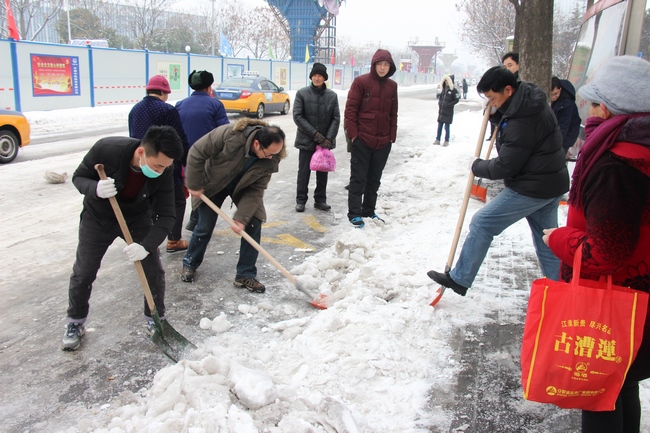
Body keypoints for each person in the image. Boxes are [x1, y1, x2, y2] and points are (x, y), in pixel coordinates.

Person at [543, 55, 650, 433]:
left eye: (593, 101)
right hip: (638, 306)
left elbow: (606, 252)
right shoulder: (642, 151)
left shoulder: (617, 164)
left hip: (612, 308)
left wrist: (558, 237)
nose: (588, 110)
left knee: (599, 393)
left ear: (608, 107)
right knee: (622, 389)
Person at [427, 66, 569, 295]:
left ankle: (460, 279)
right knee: (548, 241)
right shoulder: (527, 101)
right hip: (550, 183)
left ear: (508, 90)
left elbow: (506, 165)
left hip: (534, 186)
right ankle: (562, 291)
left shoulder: (523, 120)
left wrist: (477, 166)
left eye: (493, 98)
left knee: (483, 222)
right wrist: (497, 116)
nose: (491, 103)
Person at [61, 126, 184, 351]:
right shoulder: (106, 149)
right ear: (141, 153)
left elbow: (167, 214)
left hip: (137, 217)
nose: (161, 171)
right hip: (99, 217)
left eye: (166, 166)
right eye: (158, 165)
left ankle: (155, 319)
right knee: (84, 271)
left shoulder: (165, 168)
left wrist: (146, 246)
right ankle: (75, 322)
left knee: (153, 271)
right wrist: (95, 188)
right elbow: (79, 177)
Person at [181, 119, 286, 293]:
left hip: (243, 187)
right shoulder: (230, 135)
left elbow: (255, 190)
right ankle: (190, 263)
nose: (272, 158)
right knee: (204, 226)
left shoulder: (272, 158)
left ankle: (245, 274)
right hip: (214, 182)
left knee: (254, 222)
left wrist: (242, 218)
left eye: (275, 154)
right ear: (256, 143)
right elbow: (197, 152)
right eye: (268, 154)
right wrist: (193, 183)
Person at [128, 75, 190, 253]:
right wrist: (186, 161)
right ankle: (173, 240)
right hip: (165, 165)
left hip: (142, 163)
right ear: (163, 92)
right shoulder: (167, 110)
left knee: (149, 200)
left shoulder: (135, 109)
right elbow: (178, 139)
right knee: (175, 201)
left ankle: (145, 239)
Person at [345, 49, 398, 228]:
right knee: (358, 178)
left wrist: (392, 136)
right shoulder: (361, 82)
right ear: (374, 64)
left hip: (383, 142)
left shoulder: (392, 86)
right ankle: (354, 213)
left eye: (386, 64)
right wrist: (354, 136)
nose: (382, 68)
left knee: (374, 179)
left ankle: (368, 210)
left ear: (390, 67)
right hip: (363, 139)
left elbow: (393, 113)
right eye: (379, 64)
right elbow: (350, 110)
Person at [175, 70, 230, 230]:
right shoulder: (215, 104)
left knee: (192, 184)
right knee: (206, 187)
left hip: (185, 155)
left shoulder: (180, 104)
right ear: (209, 87)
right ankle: (197, 219)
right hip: (208, 154)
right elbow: (224, 131)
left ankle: (194, 219)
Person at [293, 62, 340, 212]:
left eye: (320, 75)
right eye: (314, 75)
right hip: (307, 140)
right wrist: (315, 135)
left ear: (324, 78)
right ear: (311, 76)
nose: (317, 78)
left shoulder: (332, 96)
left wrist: (329, 139)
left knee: (323, 171)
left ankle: (320, 200)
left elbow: (336, 118)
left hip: (325, 140)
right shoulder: (302, 93)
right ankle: (301, 200)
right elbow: (298, 116)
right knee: (304, 171)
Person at [550, 76, 581, 155]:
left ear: (560, 89)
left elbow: (564, 126)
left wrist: (556, 145)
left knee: (557, 159)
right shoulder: (554, 100)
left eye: (556, 94)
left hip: (567, 136)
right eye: (551, 94)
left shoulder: (567, 104)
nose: (553, 97)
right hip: (556, 133)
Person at [433, 74, 460, 146]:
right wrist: (440, 103)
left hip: (448, 112)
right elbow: (441, 98)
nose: (446, 82)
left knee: (447, 127)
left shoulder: (453, 90)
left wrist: (449, 104)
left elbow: (457, 99)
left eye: (447, 81)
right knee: (439, 126)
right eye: (445, 81)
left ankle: (446, 140)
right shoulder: (443, 90)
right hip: (442, 111)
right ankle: (437, 139)